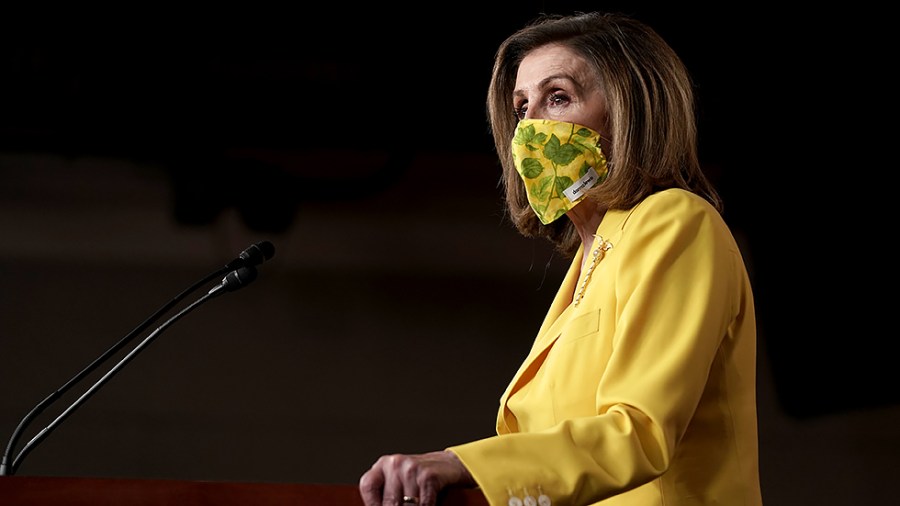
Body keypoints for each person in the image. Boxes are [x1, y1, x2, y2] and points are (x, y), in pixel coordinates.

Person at [359, 10, 762, 506]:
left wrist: (460, 463)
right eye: (521, 106)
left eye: (558, 98)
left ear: (628, 110)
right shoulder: (588, 267)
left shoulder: (676, 222)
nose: (528, 127)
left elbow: (639, 432)